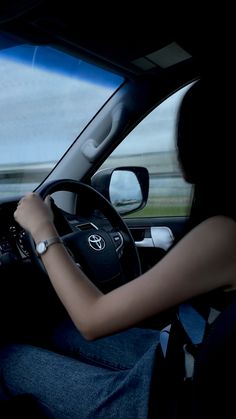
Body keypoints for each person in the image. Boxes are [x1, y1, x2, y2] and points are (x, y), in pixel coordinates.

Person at [0, 79, 236, 418]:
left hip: (167, 400)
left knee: (10, 358)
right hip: (181, 359)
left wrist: (42, 228)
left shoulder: (224, 235)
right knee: (59, 331)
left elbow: (92, 320)